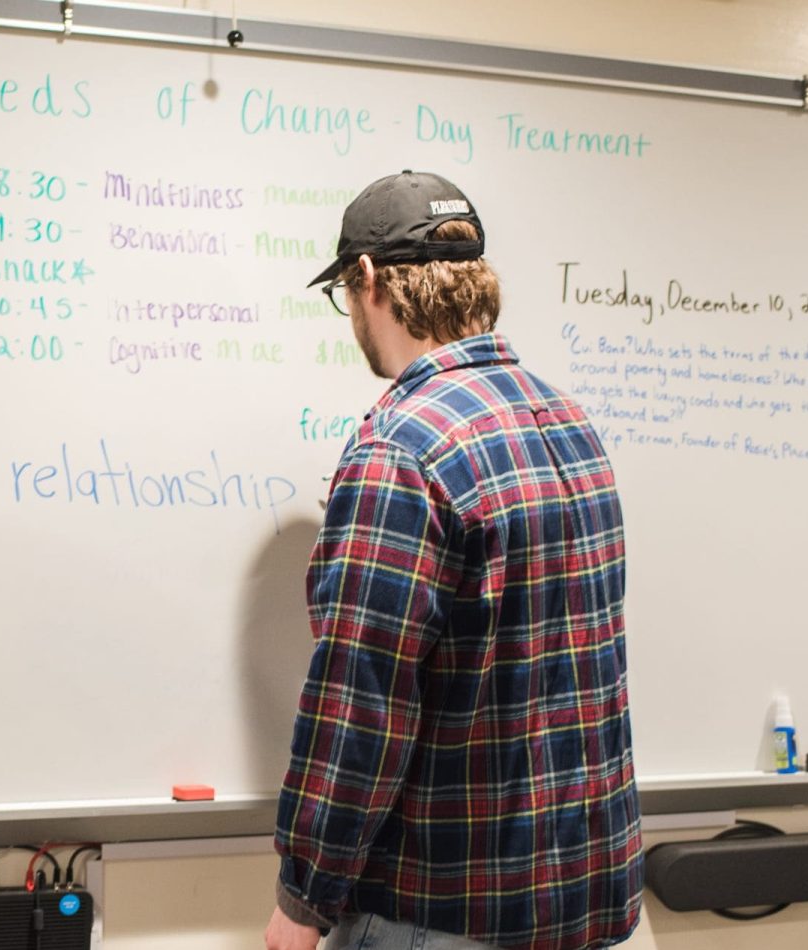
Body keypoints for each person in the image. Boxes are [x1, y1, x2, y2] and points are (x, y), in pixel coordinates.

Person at [265, 173, 642, 950]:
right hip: (584, 902)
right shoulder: (568, 420)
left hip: (443, 914)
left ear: (367, 279)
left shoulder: (401, 449)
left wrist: (302, 904)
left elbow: (361, 703)